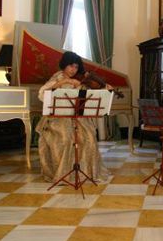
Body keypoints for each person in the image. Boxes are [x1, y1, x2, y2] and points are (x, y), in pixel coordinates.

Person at [36, 51, 110, 183]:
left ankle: (85, 173)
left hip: (77, 117)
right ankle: (64, 174)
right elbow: (42, 93)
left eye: (76, 67)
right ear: (64, 65)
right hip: (58, 117)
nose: (73, 70)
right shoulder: (57, 77)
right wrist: (64, 81)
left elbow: (88, 97)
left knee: (89, 138)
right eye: (71, 66)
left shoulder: (79, 80)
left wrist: (104, 88)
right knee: (66, 138)